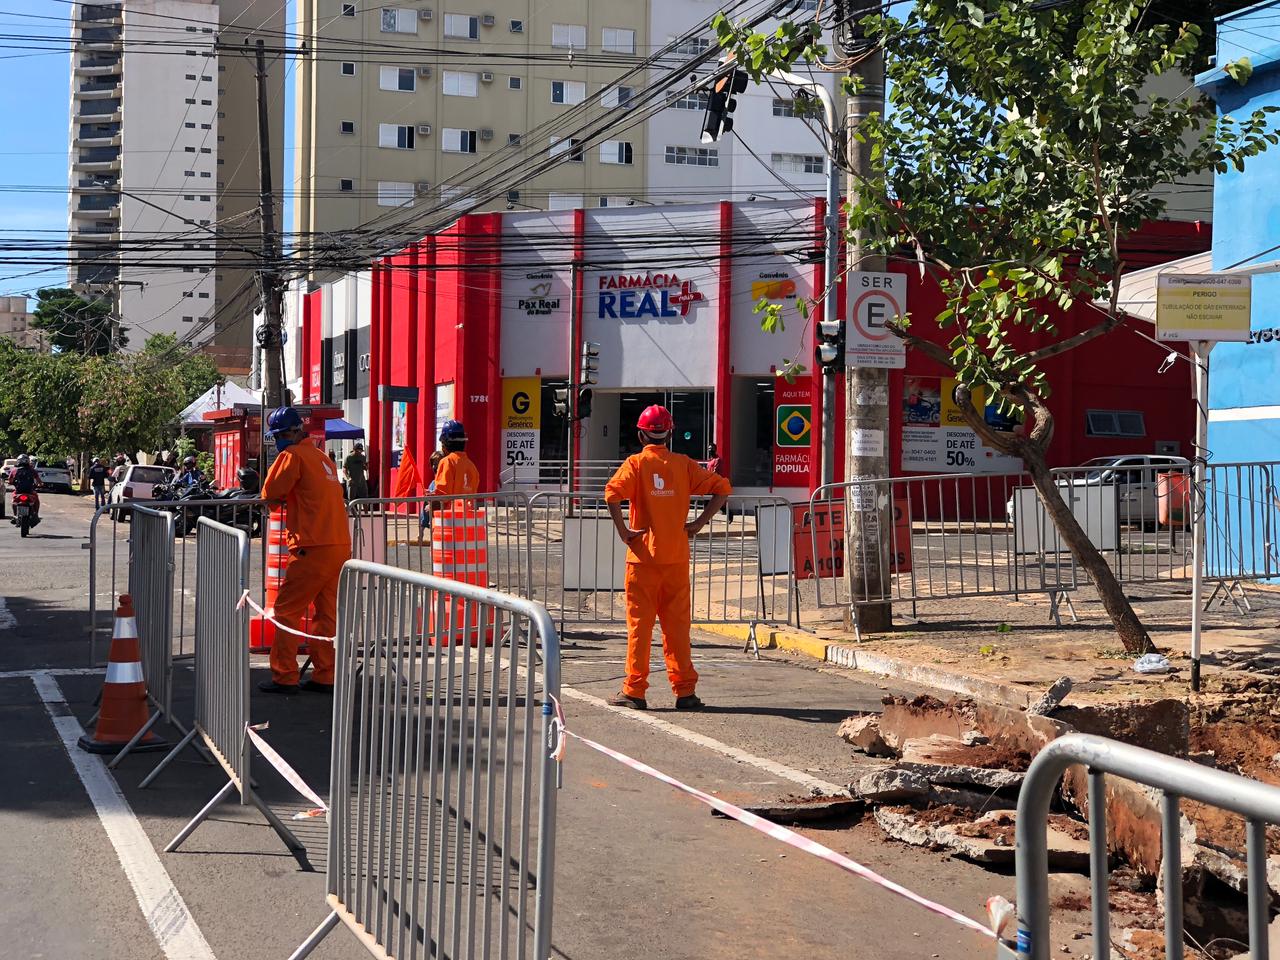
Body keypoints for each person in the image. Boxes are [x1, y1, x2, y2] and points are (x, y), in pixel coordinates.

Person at [603, 405, 731, 711]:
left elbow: (612, 495)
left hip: (643, 559)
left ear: (640, 433)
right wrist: (699, 522)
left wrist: (624, 531)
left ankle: (634, 691)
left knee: (640, 628)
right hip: (675, 558)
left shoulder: (635, 464)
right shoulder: (683, 465)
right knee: (677, 629)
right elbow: (722, 488)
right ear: (669, 434)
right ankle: (685, 691)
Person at [258, 406, 352, 695]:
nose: (277, 442)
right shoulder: (323, 457)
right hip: (338, 544)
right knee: (326, 614)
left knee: (287, 611)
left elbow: (270, 493)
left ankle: (285, 675)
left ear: (286, 434)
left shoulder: (292, 456)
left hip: (312, 545)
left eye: (277, 436)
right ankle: (326, 675)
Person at [433, 421, 478, 496]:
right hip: (468, 508)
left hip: (450, 507)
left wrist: (430, 500)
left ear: (444, 445)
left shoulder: (447, 462)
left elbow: (442, 496)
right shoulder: (472, 466)